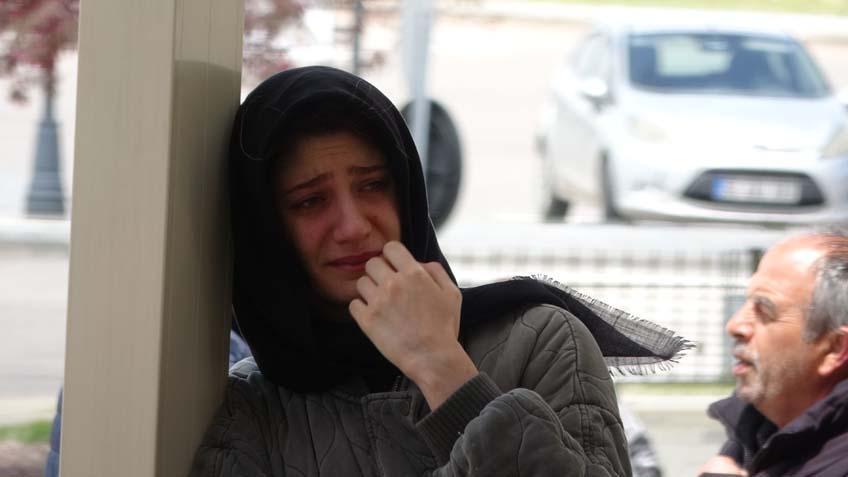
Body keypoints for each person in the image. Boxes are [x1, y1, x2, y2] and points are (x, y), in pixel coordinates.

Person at [190, 66, 688, 476]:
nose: (353, 226)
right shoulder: (255, 409)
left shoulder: (540, 342)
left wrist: (441, 366)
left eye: (372, 185)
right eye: (310, 201)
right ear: (269, 228)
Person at [698, 231, 848, 477]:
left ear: (835, 348)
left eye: (764, 310)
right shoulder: (754, 431)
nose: (735, 325)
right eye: (747, 303)